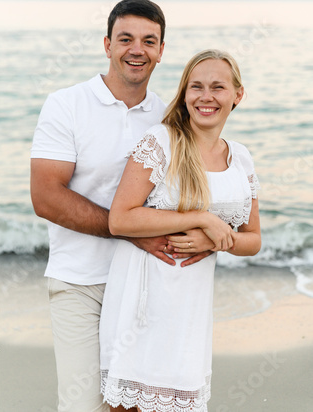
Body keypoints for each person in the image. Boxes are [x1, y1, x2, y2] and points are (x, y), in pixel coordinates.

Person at [30, 0, 213, 412]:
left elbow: (191, 192)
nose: (137, 49)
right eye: (126, 38)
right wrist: (128, 231)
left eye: (150, 41)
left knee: (135, 407)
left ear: (162, 50)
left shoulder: (170, 117)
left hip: (146, 284)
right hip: (80, 282)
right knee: (82, 406)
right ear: (107, 44)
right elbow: (46, 196)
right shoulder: (66, 105)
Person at [100, 49, 262, 412]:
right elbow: (121, 218)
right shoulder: (162, 142)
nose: (206, 96)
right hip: (142, 302)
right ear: (185, 93)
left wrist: (218, 238)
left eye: (218, 87)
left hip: (191, 309)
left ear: (237, 95)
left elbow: (253, 240)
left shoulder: (241, 158)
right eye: (196, 87)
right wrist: (201, 219)